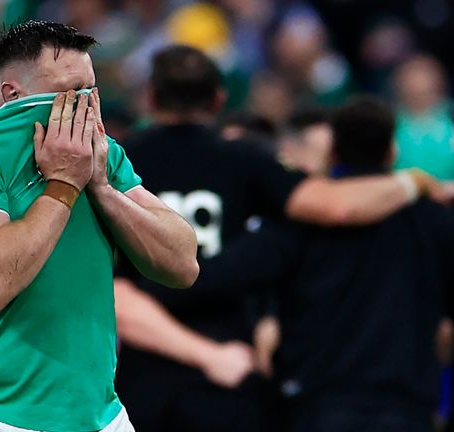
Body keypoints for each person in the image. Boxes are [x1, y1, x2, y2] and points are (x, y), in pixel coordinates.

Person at [113, 45, 442, 432]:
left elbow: (117, 292)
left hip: (141, 379)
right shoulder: (246, 162)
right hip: (231, 377)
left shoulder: (118, 164)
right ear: (219, 99)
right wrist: (415, 181)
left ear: (149, 96)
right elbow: (337, 206)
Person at [0, 21, 199, 432]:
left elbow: (183, 264)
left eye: (91, 91)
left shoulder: (100, 153)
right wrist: (63, 185)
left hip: (102, 416)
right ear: (12, 93)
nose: (84, 106)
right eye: (69, 92)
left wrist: (100, 186)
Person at [197, 97, 451, 431]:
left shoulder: (300, 222)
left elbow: (222, 274)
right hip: (406, 405)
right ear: (392, 152)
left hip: (317, 404)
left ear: (332, 153)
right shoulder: (434, 220)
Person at [393, 55, 454, 180]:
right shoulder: (389, 123)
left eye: (424, 73)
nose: (417, 82)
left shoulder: (450, 117)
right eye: (410, 75)